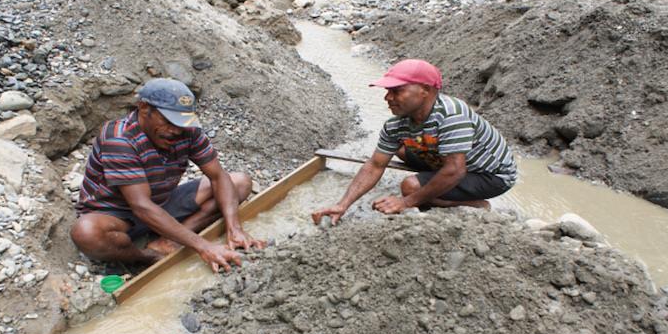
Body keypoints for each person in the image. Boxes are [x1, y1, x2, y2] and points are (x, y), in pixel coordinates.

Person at [70, 78, 265, 272]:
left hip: (160, 203)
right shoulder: (120, 138)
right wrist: (204, 246)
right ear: (144, 108)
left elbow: (218, 176)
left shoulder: (187, 131)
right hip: (117, 214)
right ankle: (148, 257)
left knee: (239, 182)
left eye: (181, 122)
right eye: (168, 121)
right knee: (87, 233)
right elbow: (141, 207)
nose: (175, 130)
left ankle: (169, 242)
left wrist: (235, 229)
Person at [312, 59, 517, 225]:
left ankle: (474, 205)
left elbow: (455, 170)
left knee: (410, 186)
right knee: (400, 150)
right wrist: (343, 204)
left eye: (397, 91)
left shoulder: (452, 114)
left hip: (490, 175)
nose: (388, 98)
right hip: (451, 160)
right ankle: (436, 186)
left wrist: (405, 202)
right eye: (387, 91)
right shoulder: (396, 125)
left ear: (425, 90)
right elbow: (375, 164)